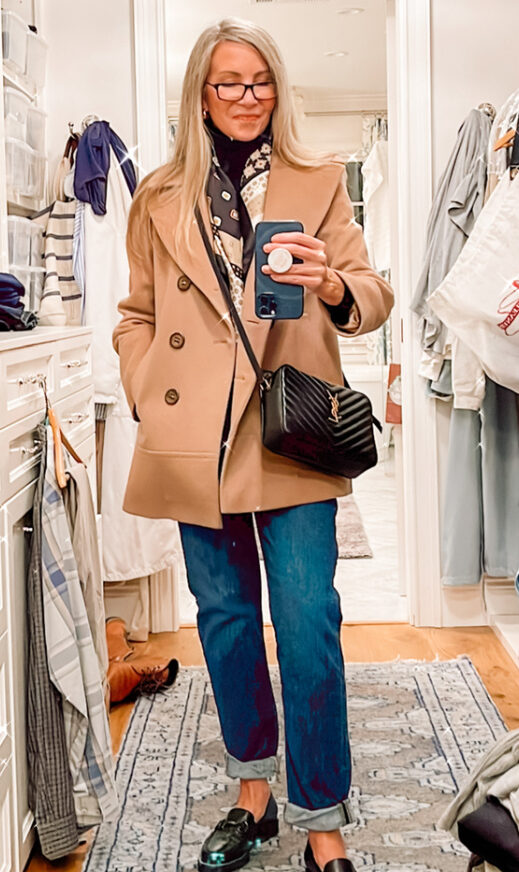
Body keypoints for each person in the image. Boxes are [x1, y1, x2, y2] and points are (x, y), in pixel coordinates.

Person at [113, 17, 393, 872]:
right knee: (228, 623)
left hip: (288, 438)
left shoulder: (319, 181)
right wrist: (145, 395)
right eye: (227, 82)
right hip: (193, 439)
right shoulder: (158, 195)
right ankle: (253, 795)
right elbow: (137, 318)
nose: (246, 97)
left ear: (279, 90)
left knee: (308, 622)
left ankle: (322, 823)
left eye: (260, 81)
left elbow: (372, 295)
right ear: (200, 93)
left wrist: (332, 282)